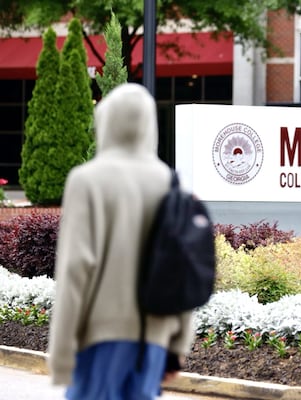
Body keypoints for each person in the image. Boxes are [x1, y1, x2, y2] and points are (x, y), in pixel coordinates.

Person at [48, 83, 194, 399]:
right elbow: (181, 268)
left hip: (101, 337)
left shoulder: (87, 180)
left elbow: (75, 269)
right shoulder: (169, 181)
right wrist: (179, 343)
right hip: (154, 341)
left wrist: (61, 354)